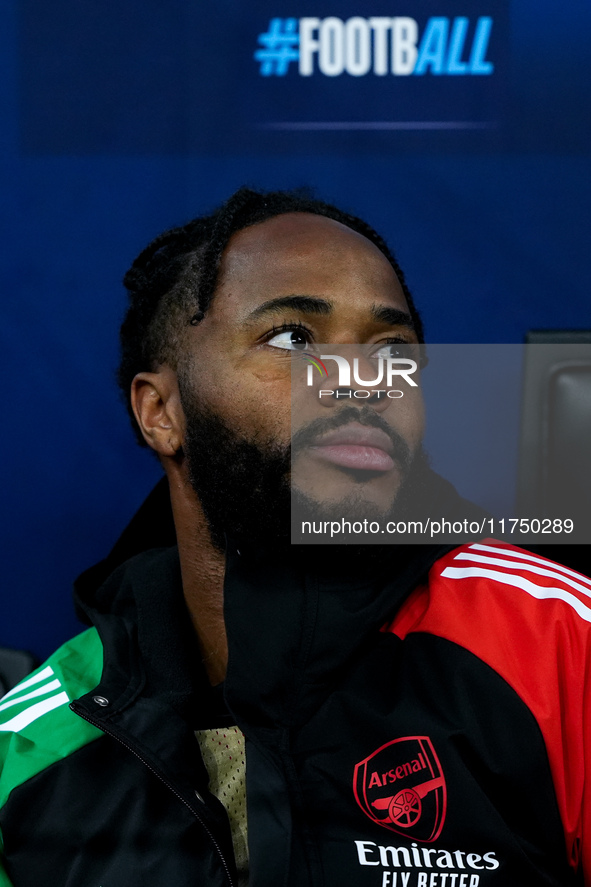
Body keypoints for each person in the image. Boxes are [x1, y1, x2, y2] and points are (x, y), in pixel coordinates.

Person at [0, 188, 589, 887]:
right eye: (292, 338)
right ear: (160, 412)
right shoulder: (32, 741)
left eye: (392, 349)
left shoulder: (556, 642)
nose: (362, 381)